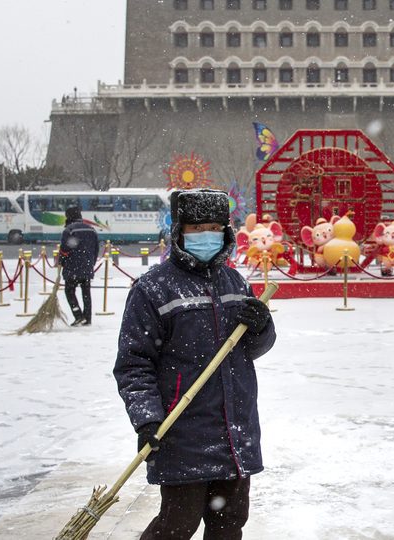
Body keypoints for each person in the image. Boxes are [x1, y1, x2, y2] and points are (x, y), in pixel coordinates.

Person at [114, 188, 276, 539]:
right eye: (196, 228)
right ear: (179, 231)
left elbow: (254, 348)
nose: (207, 235)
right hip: (182, 434)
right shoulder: (153, 290)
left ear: (227, 232)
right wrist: (147, 419)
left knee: (228, 525)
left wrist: (262, 326)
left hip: (235, 432)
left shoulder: (235, 283)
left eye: (215, 227)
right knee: (176, 526)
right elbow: (133, 364)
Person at [57, 206, 99, 327]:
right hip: (87, 266)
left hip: (72, 267)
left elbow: (65, 250)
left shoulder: (69, 230)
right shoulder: (91, 229)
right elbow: (96, 249)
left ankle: (78, 315)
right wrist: (91, 263)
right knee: (86, 292)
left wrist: (61, 261)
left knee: (69, 291)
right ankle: (88, 317)